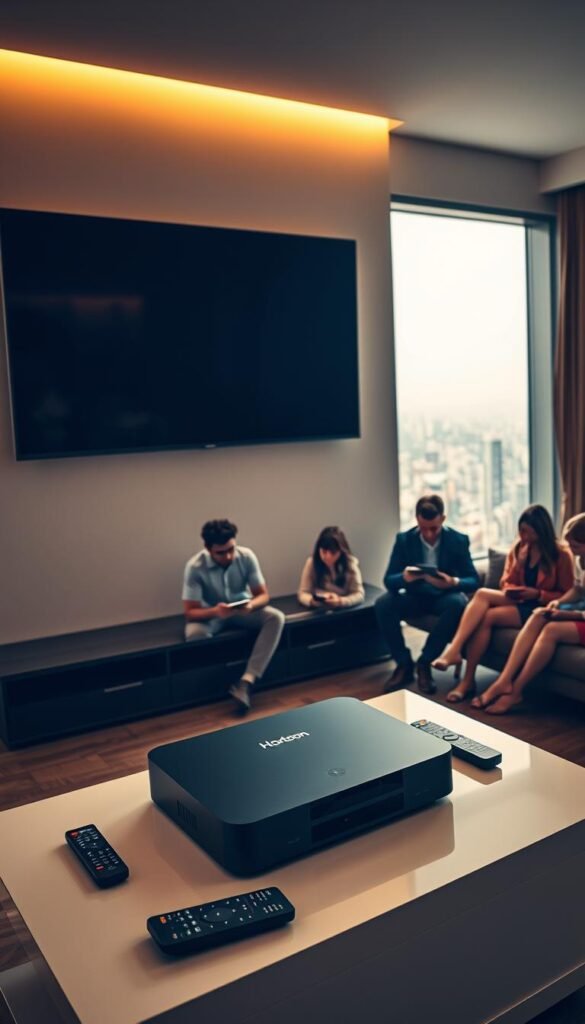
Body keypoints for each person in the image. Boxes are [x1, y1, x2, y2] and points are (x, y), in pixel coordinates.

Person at [432, 504, 575, 703]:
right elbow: (505, 582)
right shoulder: (519, 548)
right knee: (482, 594)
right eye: (521, 530)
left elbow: (568, 594)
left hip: (539, 606)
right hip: (519, 600)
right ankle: (462, 666)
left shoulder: (561, 555)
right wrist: (519, 566)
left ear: (540, 531)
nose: (523, 536)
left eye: (528, 532)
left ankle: (463, 672)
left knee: (488, 616)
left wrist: (538, 593)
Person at [467, 512, 585, 713]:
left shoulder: (565, 555)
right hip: (576, 610)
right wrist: (557, 602)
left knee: (551, 630)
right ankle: (504, 680)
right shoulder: (580, 559)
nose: (572, 551)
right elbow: (577, 589)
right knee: (539, 614)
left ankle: (515, 692)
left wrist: (565, 615)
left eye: (576, 546)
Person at [375, 494, 479, 694]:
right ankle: (403, 664)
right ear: (417, 520)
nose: (429, 534)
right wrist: (404, 578)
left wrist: (453, 582)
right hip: (415, 596)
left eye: (434, 528)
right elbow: (389, 580)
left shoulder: (458, 540)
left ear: (443, 519)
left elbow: (473, 579)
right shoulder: (404, 540)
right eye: (424, 528)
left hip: (443, 597)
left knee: (457, 603)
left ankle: (425, 662)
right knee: (383, 603)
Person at [182, 519, 285, 712]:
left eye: (231, 549)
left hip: (242, 611)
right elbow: (190, 613)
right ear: (208, 548)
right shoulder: (194, 567)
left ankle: (247, 681)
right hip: (211, 616)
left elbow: (263, 595)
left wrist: (251, 605)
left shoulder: (246, 556)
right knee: (195, 635)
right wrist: (215, 612)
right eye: (221, 552)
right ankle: (213, 687)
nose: (228, 556)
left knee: (276, 617)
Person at [297, 526, 365, 609]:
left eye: (333, 552)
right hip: (319, 611)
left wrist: (340, 601)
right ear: (318, 549)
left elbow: (359, 594)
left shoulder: (350, 564)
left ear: (341, 551)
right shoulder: (312, 563)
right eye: (324, 552)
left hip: (343, 611)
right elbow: (303, 592)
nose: (328, 557)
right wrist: (312, 601)